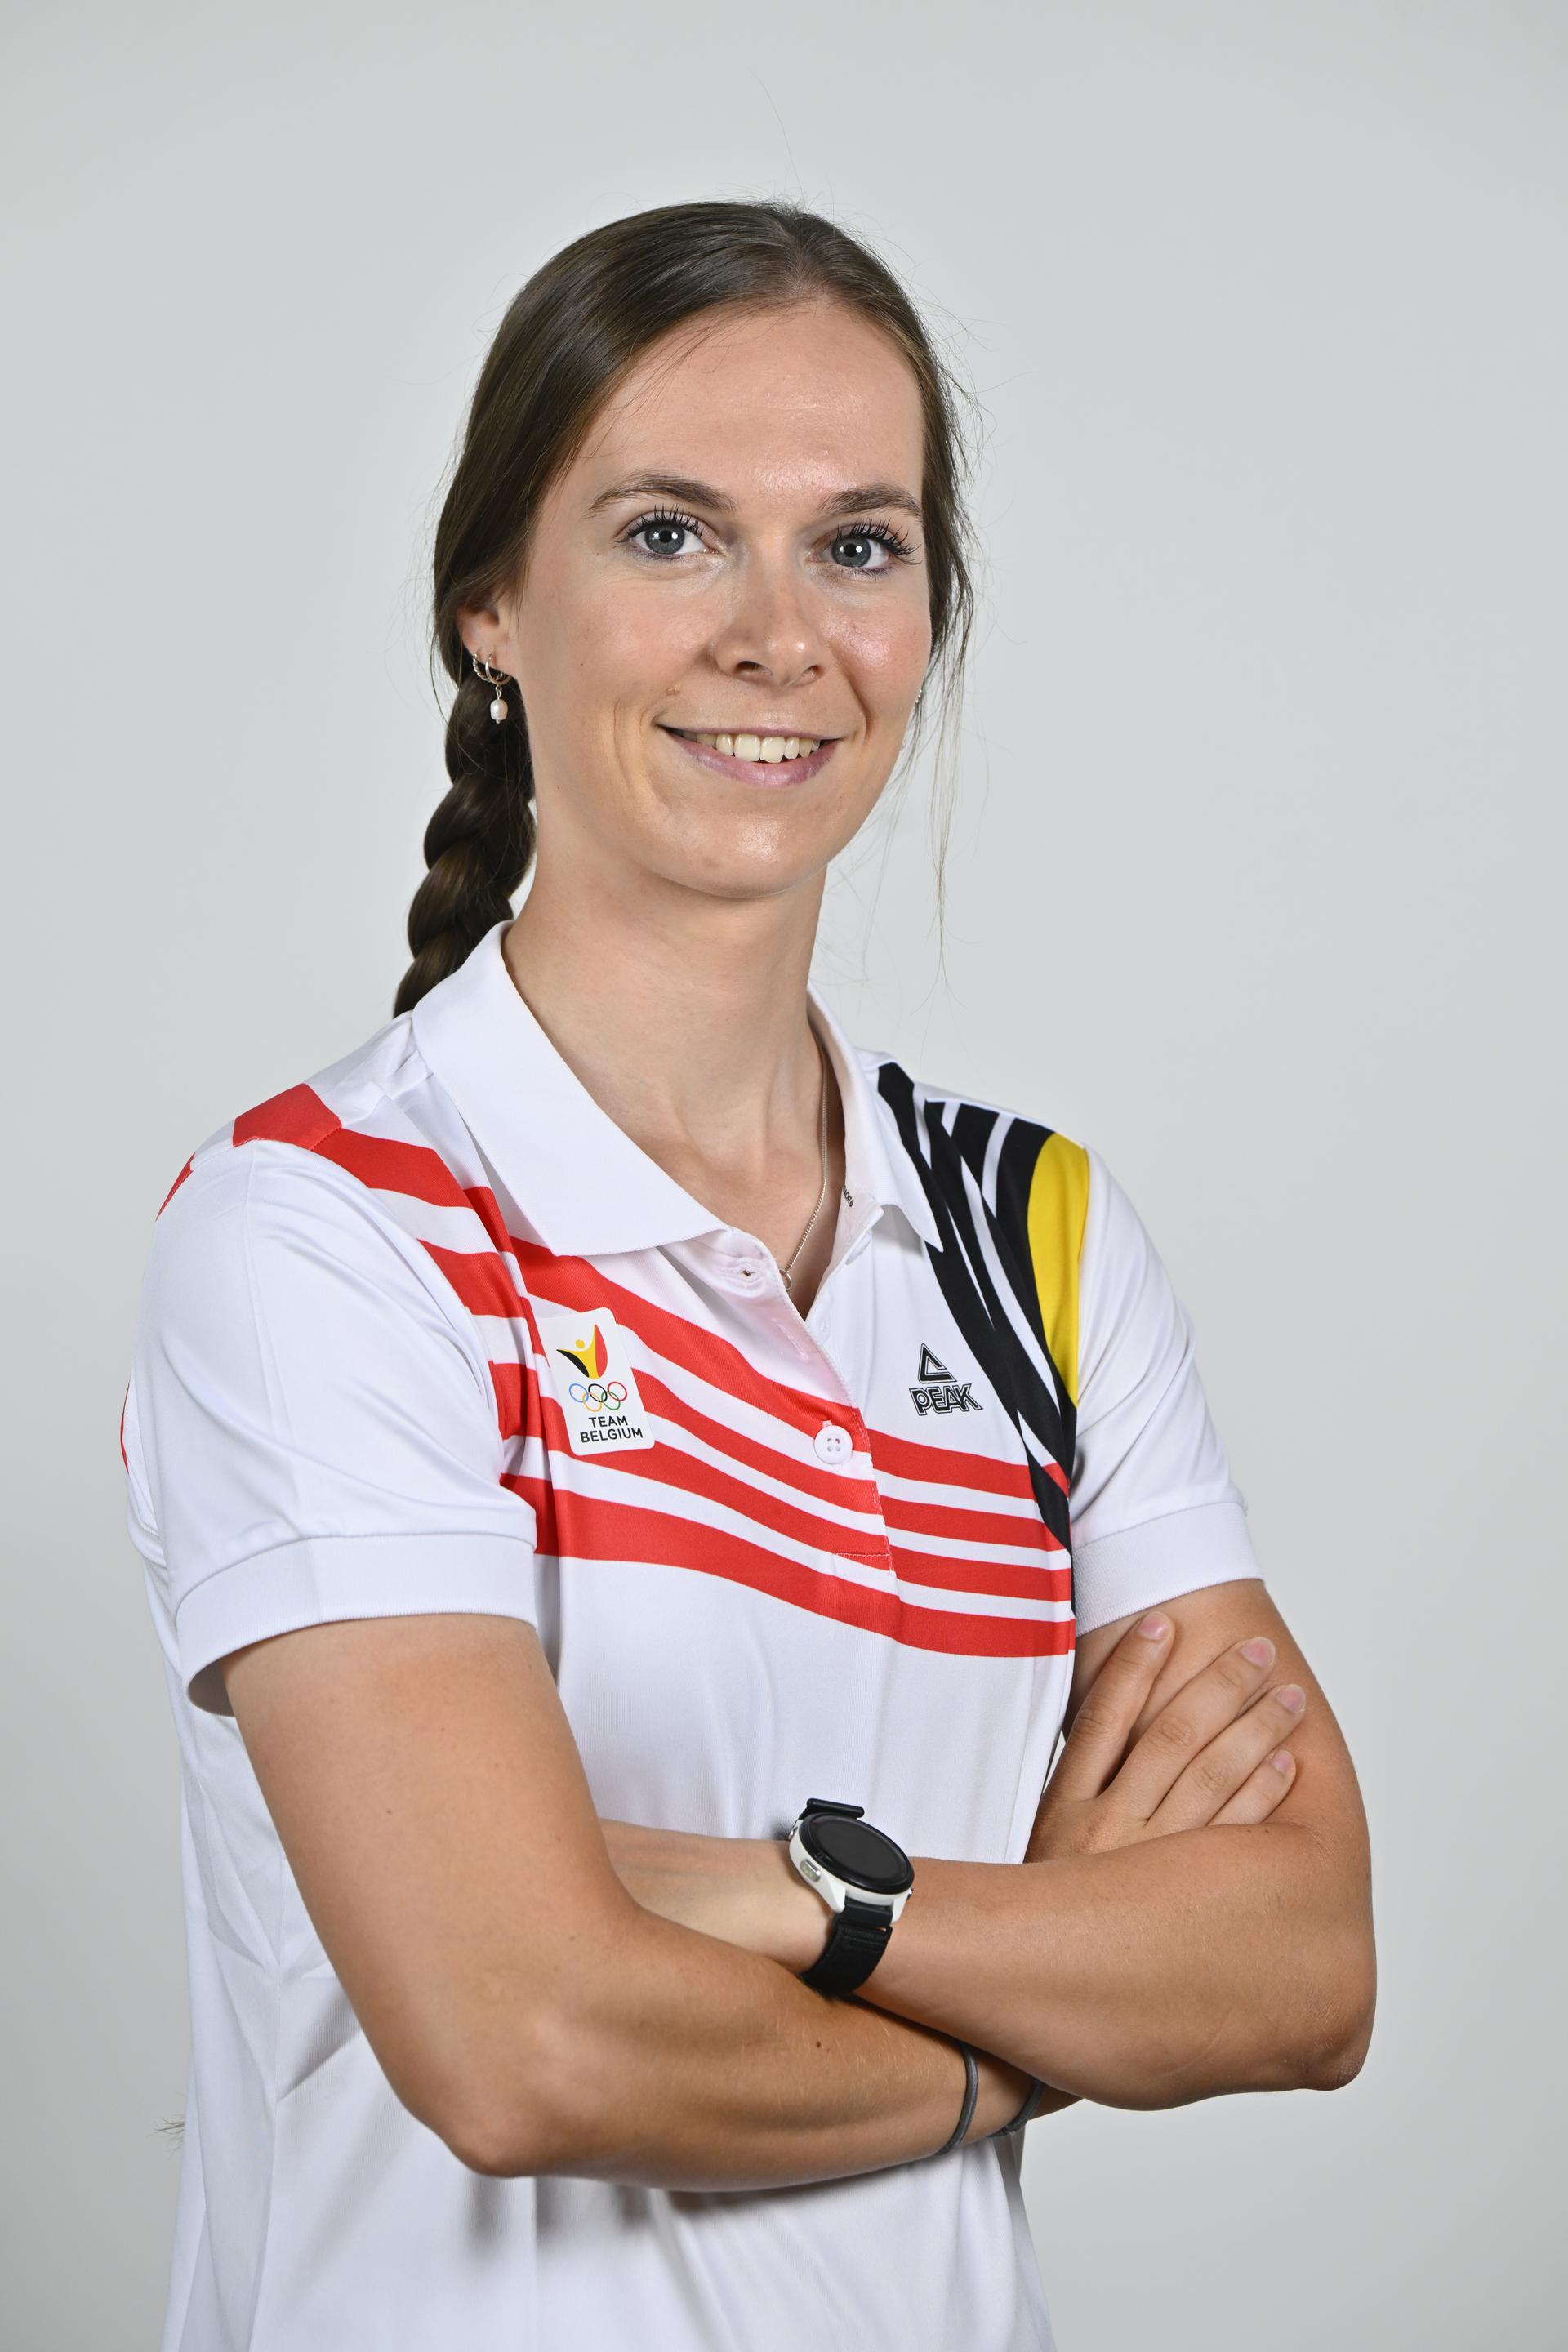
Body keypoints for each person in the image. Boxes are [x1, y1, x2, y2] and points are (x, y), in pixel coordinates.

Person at [120, 198, 1374, 2352]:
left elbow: (1300, 1965)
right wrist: (1024, 2033)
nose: (780, 636)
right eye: (671, 534)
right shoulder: (323, 1230)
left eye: (858, 546)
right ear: (491, 606)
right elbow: (529, 2044)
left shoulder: (1036, 1238)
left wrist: (772, 1895)